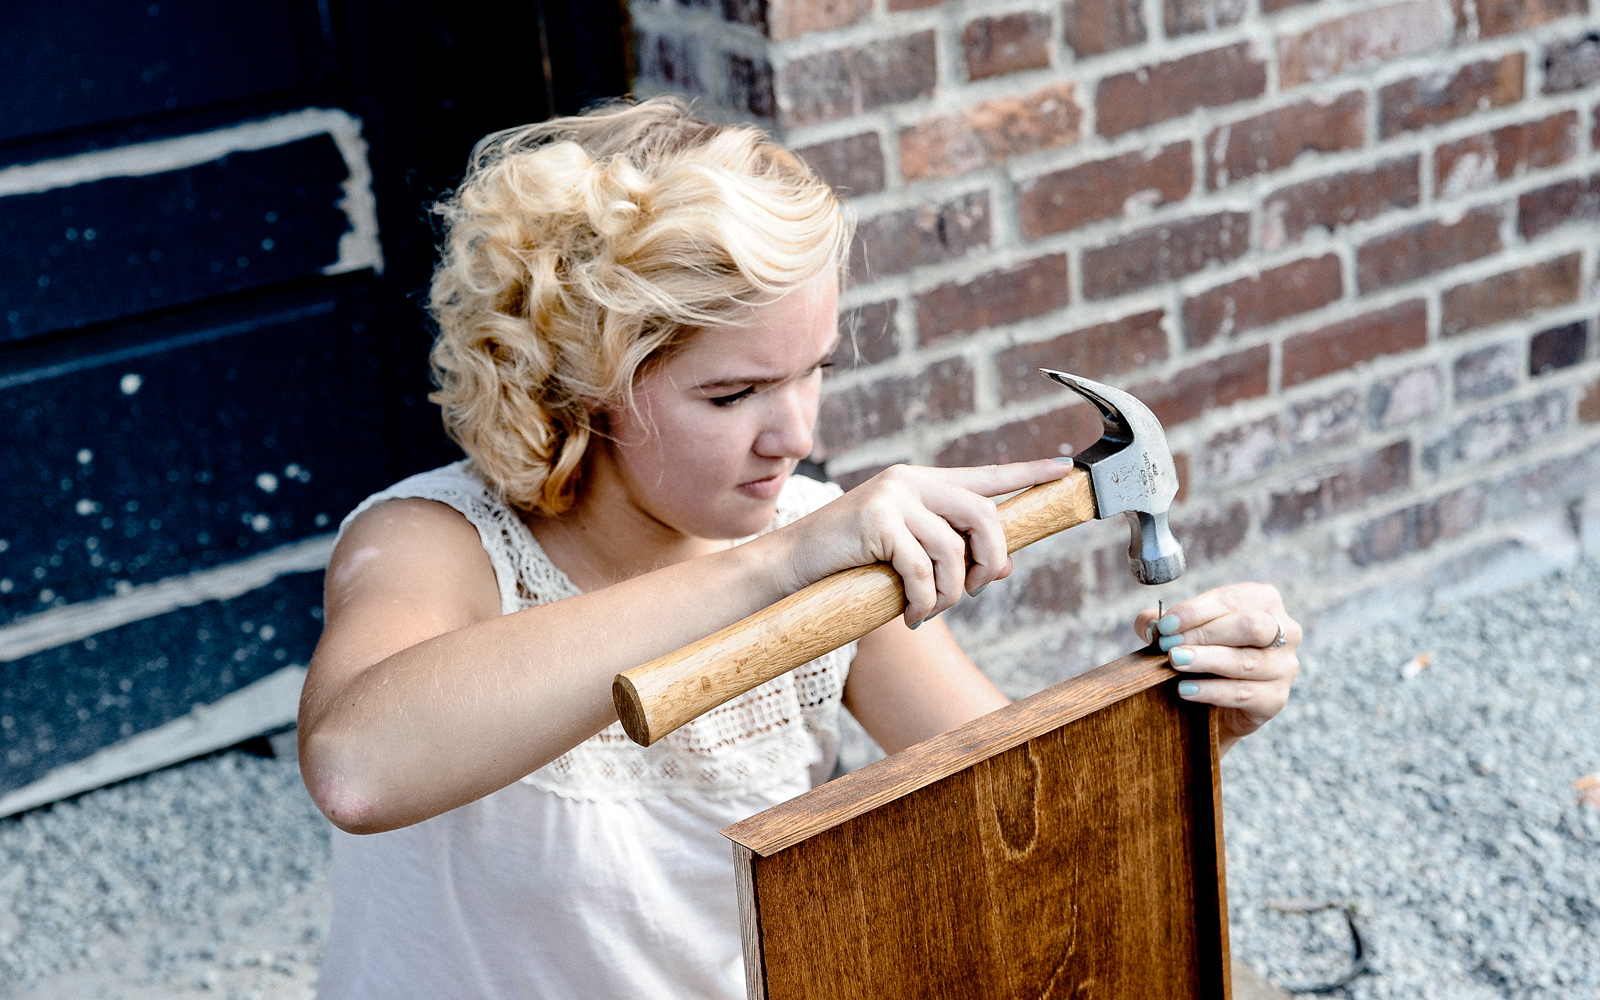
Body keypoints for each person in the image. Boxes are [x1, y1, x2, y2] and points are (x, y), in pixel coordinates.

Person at [298, 96, 1301, 1000]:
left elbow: (1036, 813)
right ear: (582, 387)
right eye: (731, 395)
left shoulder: (826, 553)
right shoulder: (434, 543)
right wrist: (776, 565)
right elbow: (357, 770)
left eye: (809, 371)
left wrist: (1192, 711)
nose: (792, 437)